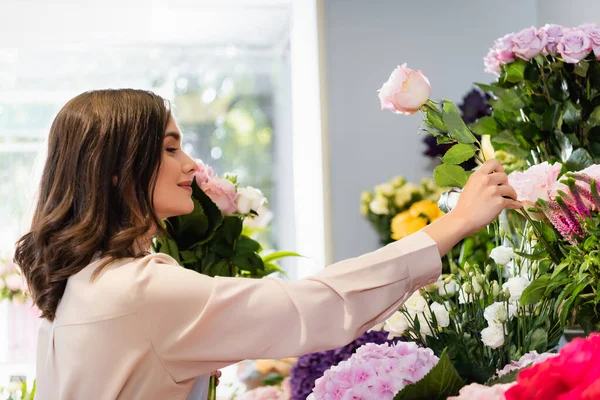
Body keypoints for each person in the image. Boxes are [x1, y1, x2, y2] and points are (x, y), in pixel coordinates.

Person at [14, 89, 521, 400]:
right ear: (118, 170)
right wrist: (449, 227)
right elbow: (311, 306)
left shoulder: (80, 284)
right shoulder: (138, 291)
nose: (191, 165)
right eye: (170, 148)